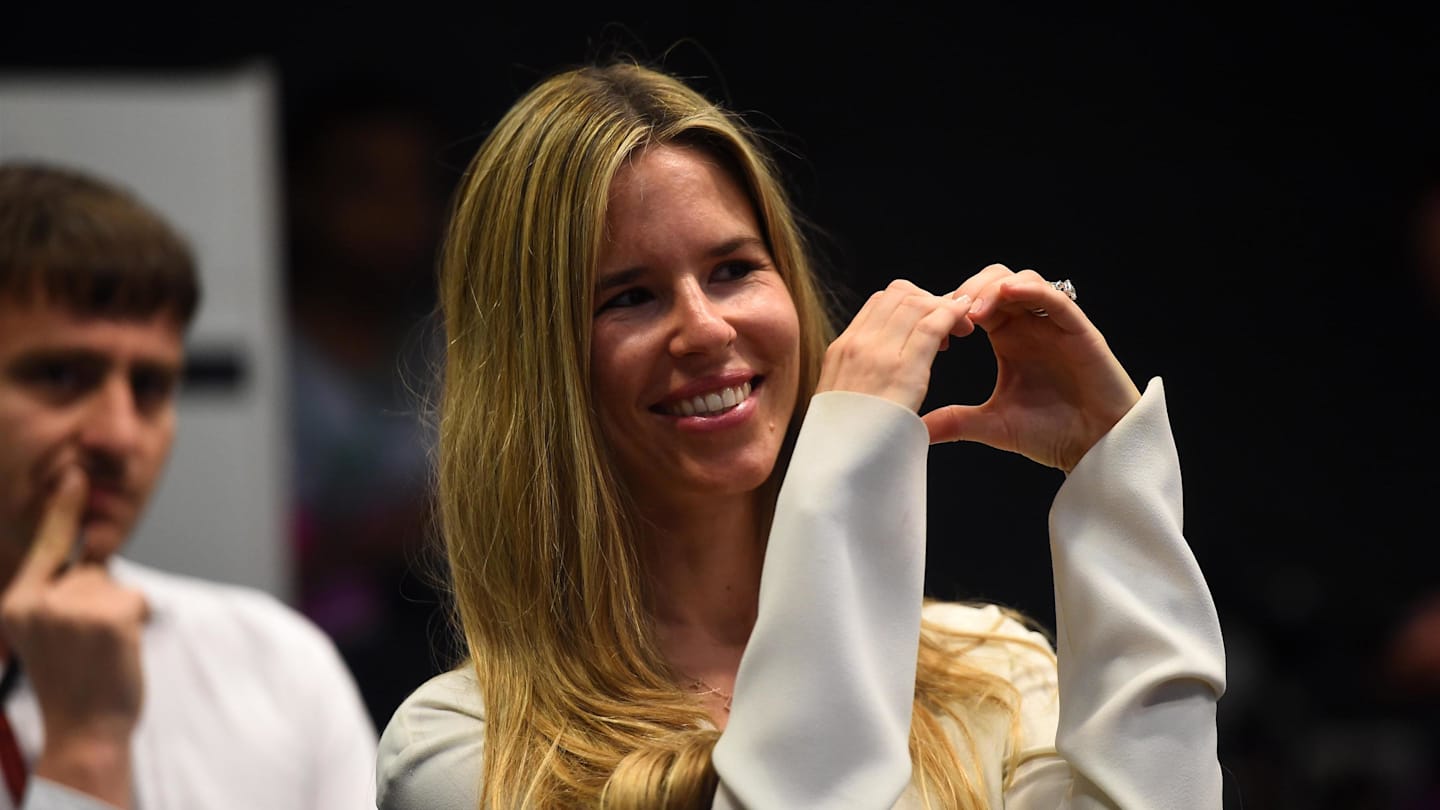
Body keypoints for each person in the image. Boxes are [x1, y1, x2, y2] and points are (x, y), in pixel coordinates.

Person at [376, 62, 1226, 809]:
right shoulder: (468, 750)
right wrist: (847, 462)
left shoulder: (989, 674)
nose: (706, 329)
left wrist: (1116, 482)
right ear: (532, 370)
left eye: (734, 269)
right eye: (628, 296)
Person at [0, 162, 377, 809]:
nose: (119, 436)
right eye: (61, 375)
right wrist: (87, 749)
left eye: (150, 387)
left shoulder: (278, 666)